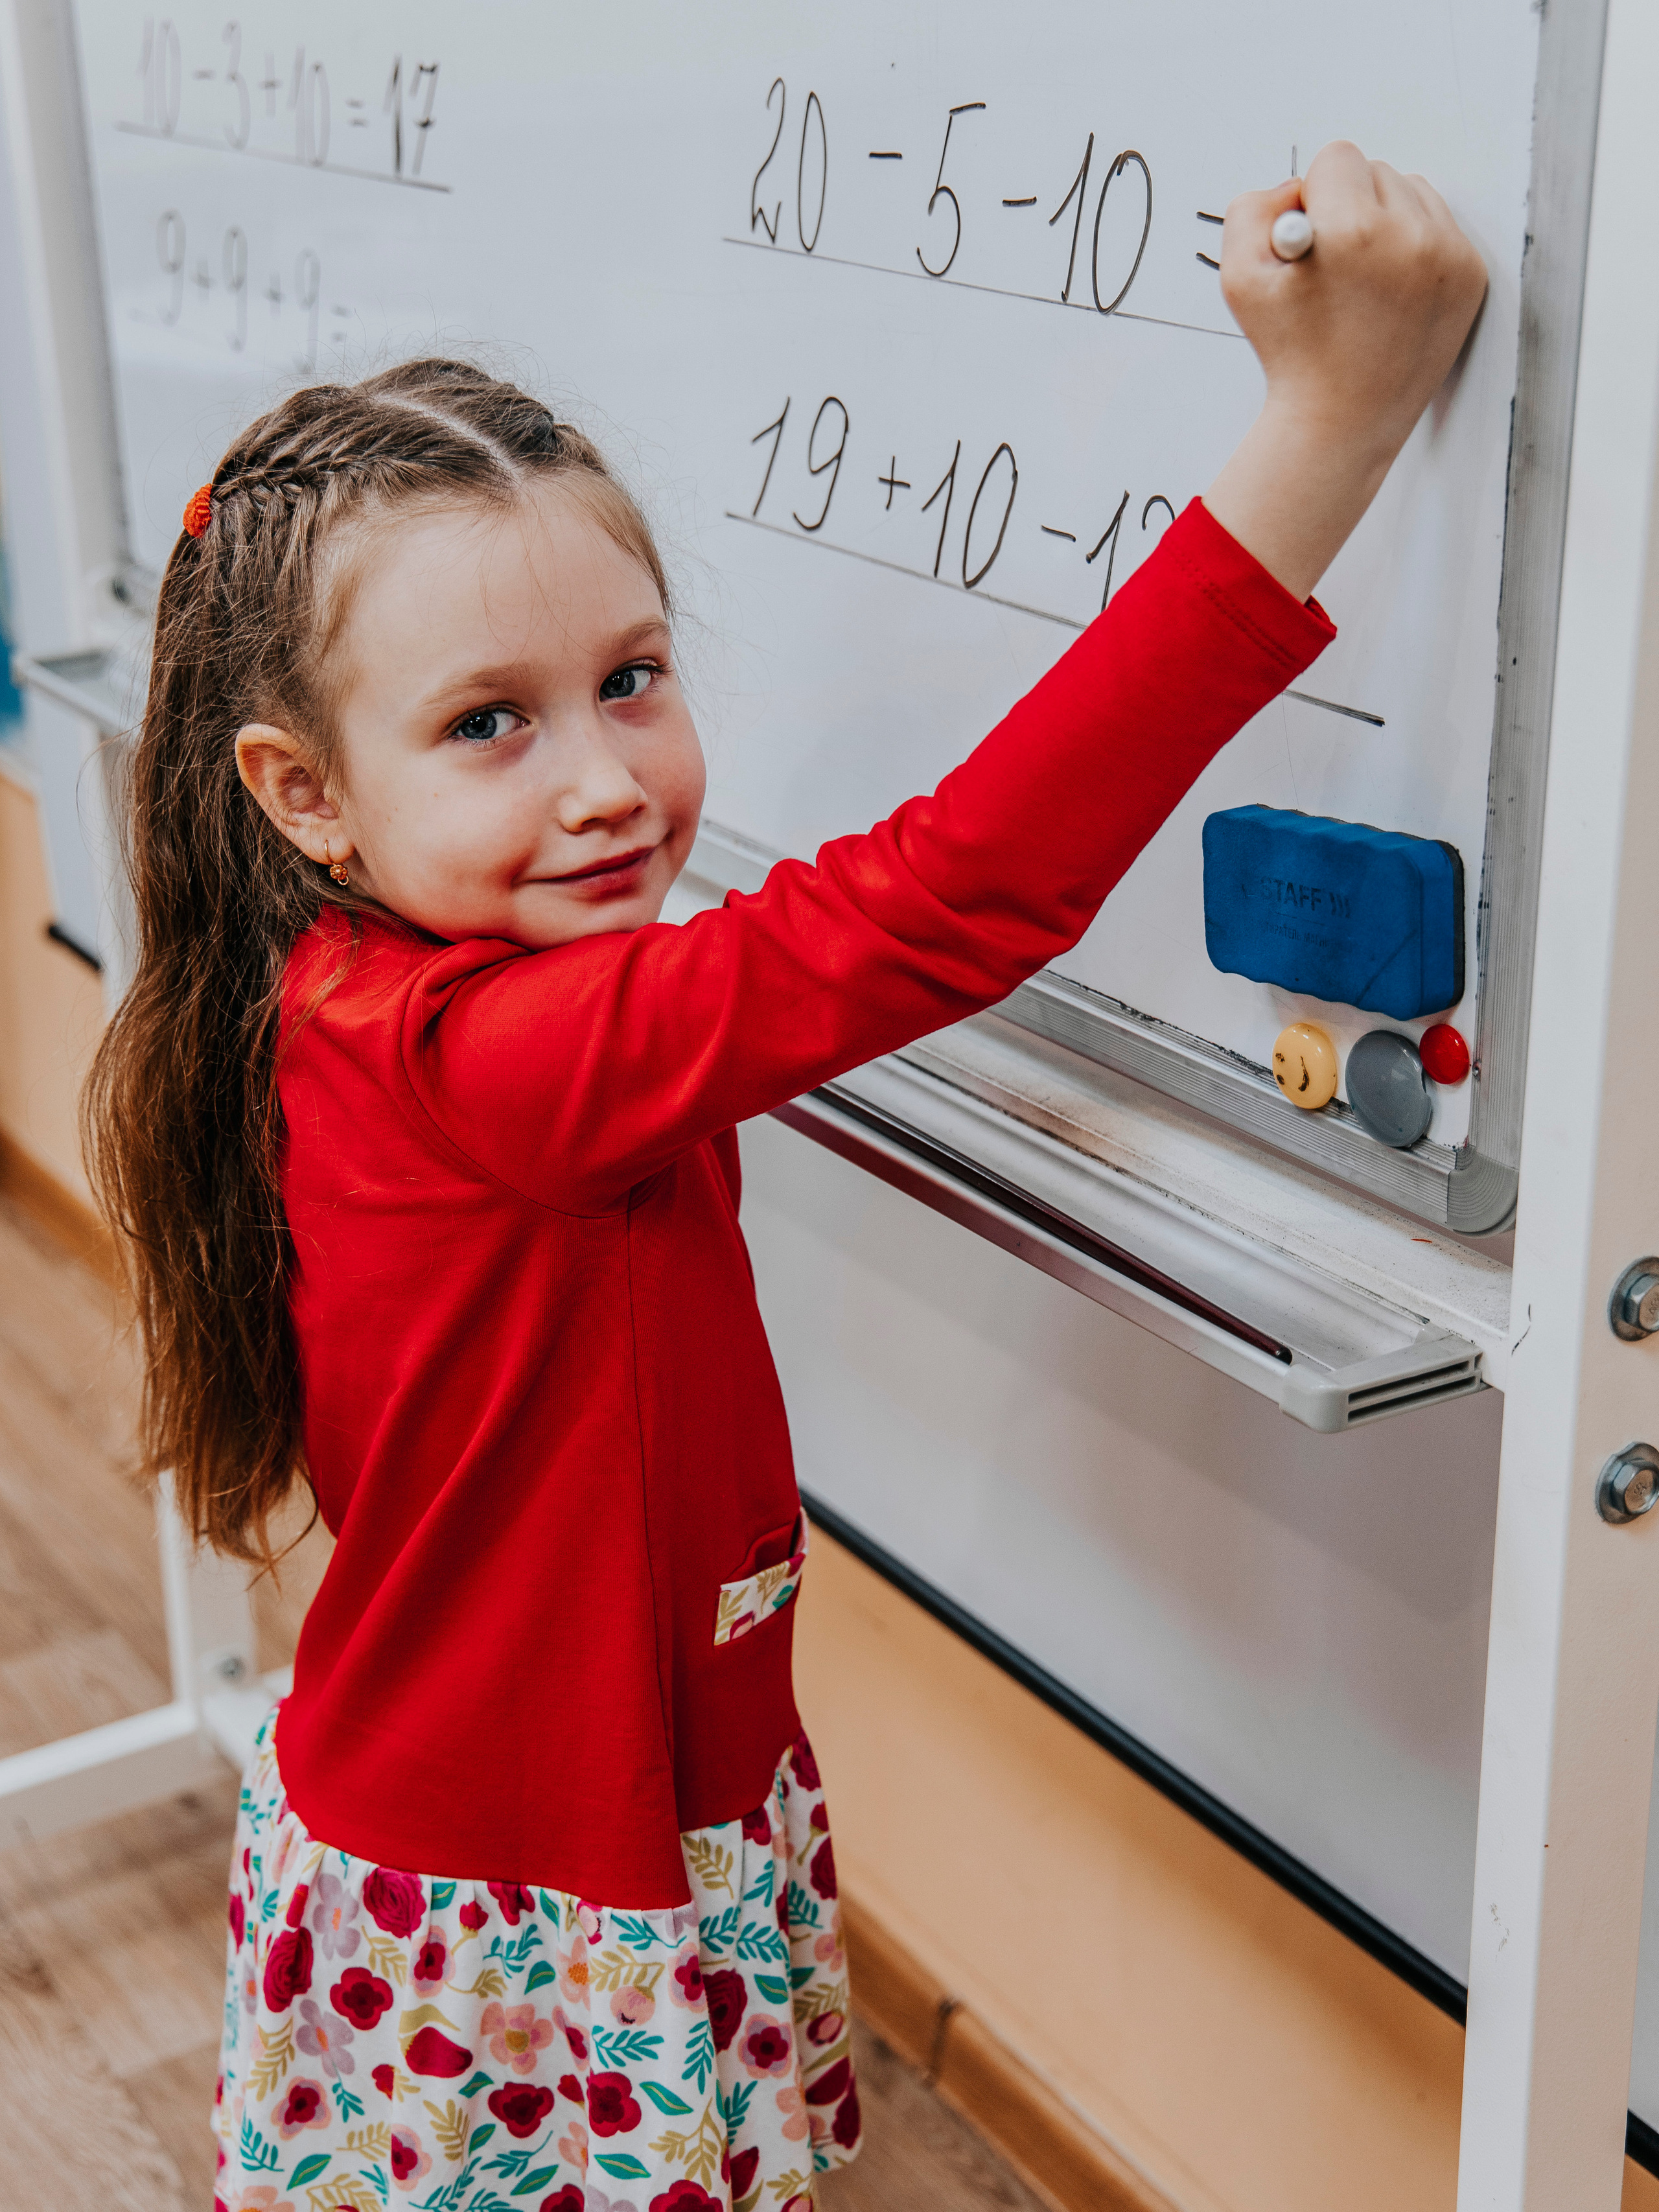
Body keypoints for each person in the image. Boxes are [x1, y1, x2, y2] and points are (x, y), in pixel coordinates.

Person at [84, 143, 1484, 2212]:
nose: (603, 780)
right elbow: (949, 900)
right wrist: (1329, 424)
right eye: (490, 722)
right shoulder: (497, 1059)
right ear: (305, 797)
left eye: (630, 681)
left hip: (592, 1802)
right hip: (529, 1873)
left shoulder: (381, 986)